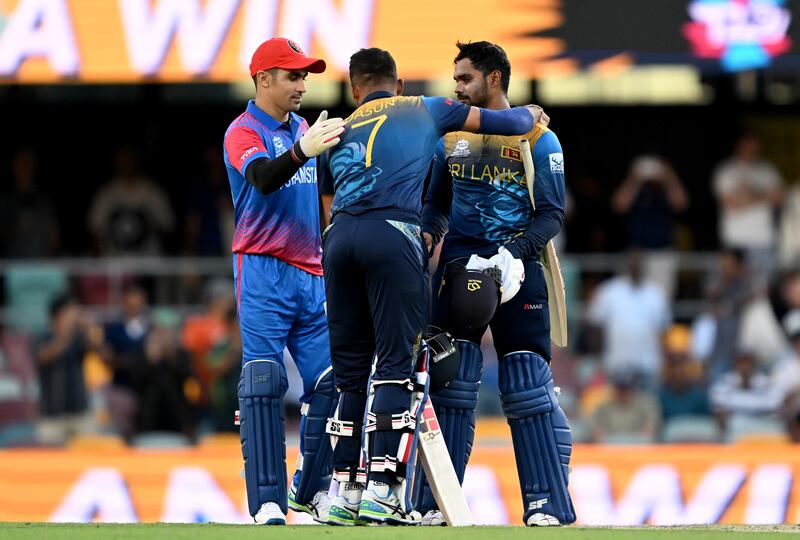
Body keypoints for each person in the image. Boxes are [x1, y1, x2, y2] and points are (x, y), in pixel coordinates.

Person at [317, 46, 544, 526]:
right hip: (393, 235)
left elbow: (326, 201)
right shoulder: (424, 107)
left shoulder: (336, 129)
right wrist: (531, 112)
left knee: (350, 372)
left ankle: (342, 492)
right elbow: (514, 124)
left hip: (338, 242)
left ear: (355, 89)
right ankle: (382, 491)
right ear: (397, 85)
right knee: (395, 367)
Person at [416, 41, 575, 527]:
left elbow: (552, 215)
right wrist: (426, 236)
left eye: (465, 79)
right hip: (461, 268)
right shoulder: (450, 138)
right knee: (451, 383)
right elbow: (438, 204)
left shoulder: (540, 139)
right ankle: (433, 507)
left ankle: (546, 506)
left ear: (495, 79)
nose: (456, 88)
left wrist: (515, 254)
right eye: (455, 78)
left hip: (518, 271)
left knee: (526, 383)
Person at [222, 37, 344, 526]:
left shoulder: (303, 129)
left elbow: (325, 197)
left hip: (311, 271)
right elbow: (265, 179)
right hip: (263, 269)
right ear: (263, 79)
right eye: (292, 75)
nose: (302, 84)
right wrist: (302, 150)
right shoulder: (242, 131)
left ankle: (309, 491)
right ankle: (267, 502)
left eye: (305, 76)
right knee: (264, 384)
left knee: (332, 385)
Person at [612, 154, 688, 299]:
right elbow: (619, 204)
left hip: (663, 253)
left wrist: (669, 177)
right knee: (631, 297)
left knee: (661, 298)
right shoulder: (636, 188)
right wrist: (635, 179)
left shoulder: (665, 188)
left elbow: (681, 203)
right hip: (636, 253)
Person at [712, 132, 783, 281]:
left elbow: (779, 198)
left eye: (756, 146)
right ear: (740, 146)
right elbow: (730, 204)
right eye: (749, 146)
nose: (753, 150)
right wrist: (764, 196)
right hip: (735, 239)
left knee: (763, 286)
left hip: (764, 240)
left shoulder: (767, 170)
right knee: (735, 287)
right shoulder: (727, 170)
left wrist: (747, 195)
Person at [35, 294, 104, 445]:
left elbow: (100, 351)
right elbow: (44, 356)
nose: (73, 317)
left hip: (80, 413)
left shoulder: (79, 337)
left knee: (87, 460)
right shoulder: (43, 336)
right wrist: (66, 332)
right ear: (57, 315)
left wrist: (88, 328)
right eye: (69, 312)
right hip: (52, 416)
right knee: (50, 464)